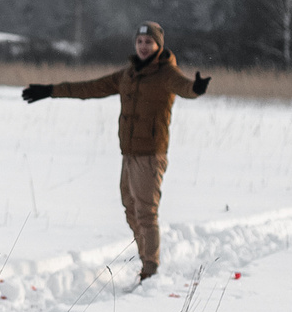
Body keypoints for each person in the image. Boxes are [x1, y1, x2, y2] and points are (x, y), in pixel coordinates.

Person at [20, 20, 210, 282]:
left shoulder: (167, 74)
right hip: (129, 153)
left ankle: (151, 270)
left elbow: (185, 87)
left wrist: (197, 88)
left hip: (150, 155)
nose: (143, 46)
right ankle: (146, 260)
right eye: (140, 42)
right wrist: (51, 90)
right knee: (130, 208)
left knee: (146, 212)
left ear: (158, 45)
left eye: (149, 42)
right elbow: (89, 88)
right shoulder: (127, 75)